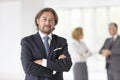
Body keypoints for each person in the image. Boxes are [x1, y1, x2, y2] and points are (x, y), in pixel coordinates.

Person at [20, 7, 72, 80]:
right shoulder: (27, 41)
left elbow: (67, 65)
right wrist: (53, 70)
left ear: (55, 23)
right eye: (44, 19)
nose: (47, 23)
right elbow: (28, 67)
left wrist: (43, 62)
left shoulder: (61, 41)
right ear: (38, 21)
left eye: (51, 20)